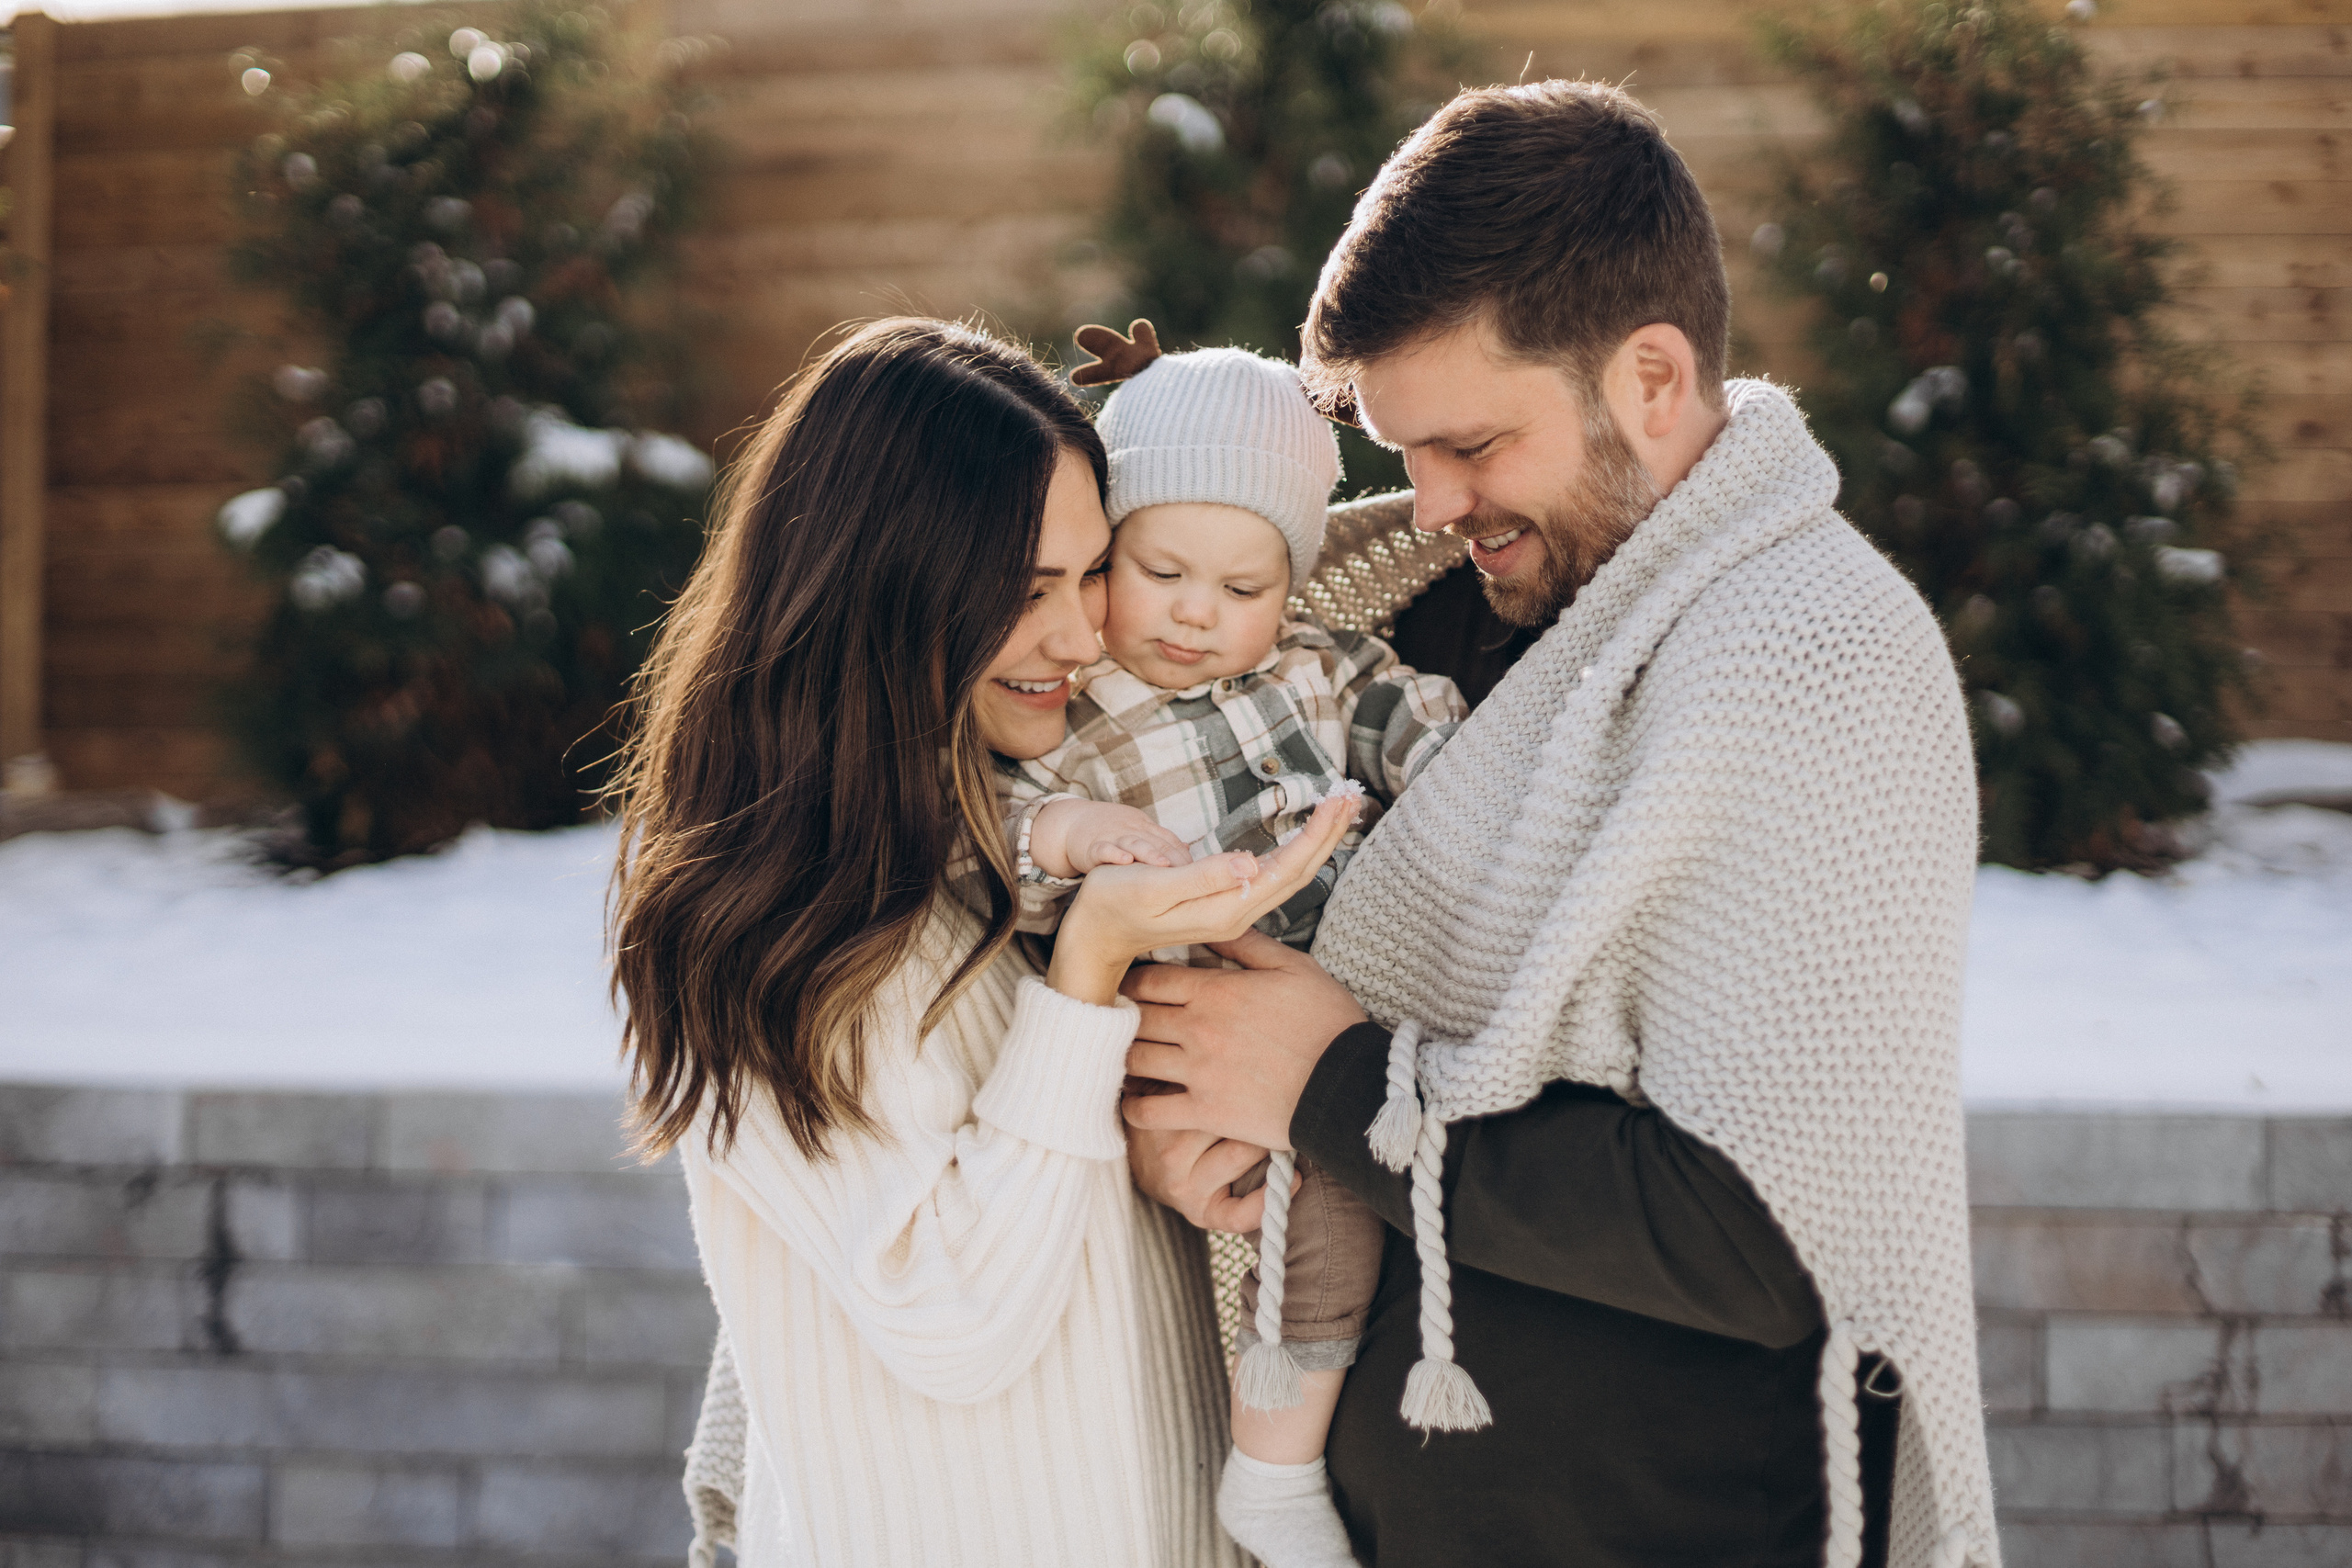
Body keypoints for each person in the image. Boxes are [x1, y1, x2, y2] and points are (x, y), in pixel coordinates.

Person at [1121, 82, 2003, 1568]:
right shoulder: (1402, 627)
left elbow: (1767, 1234)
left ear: (1652, 378)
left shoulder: (1813, 655)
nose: (1427, 505)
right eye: (1407, 452)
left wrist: (1329, 1088)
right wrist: (1204, 1136)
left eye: (1471, 444)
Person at [606, 318, 1360, 1568]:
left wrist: (1155, 1160)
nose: (1081, 637)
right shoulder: (760, 921)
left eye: (1091, 574)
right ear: (888, 585)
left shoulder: (1014, 850)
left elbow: (1039, 1177)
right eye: (1024, 593)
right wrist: (1089, 972)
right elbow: (954, 1316)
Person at [992, 330, 1466, 1568]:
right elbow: (974, 827)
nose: (1199, 614)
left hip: (1341, 1006)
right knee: (1291, 1215)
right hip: (1189, 1033)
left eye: (1244, 590)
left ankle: (1282, 1460)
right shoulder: (1070, 697)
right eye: (1159, 571)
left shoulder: (1313, 663)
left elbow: (1417, 722)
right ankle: (1273, 1469)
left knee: (1360, 1199)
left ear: (1290, 584)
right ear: (1109, 552)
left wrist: (1468, 769)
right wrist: (1064, 826)